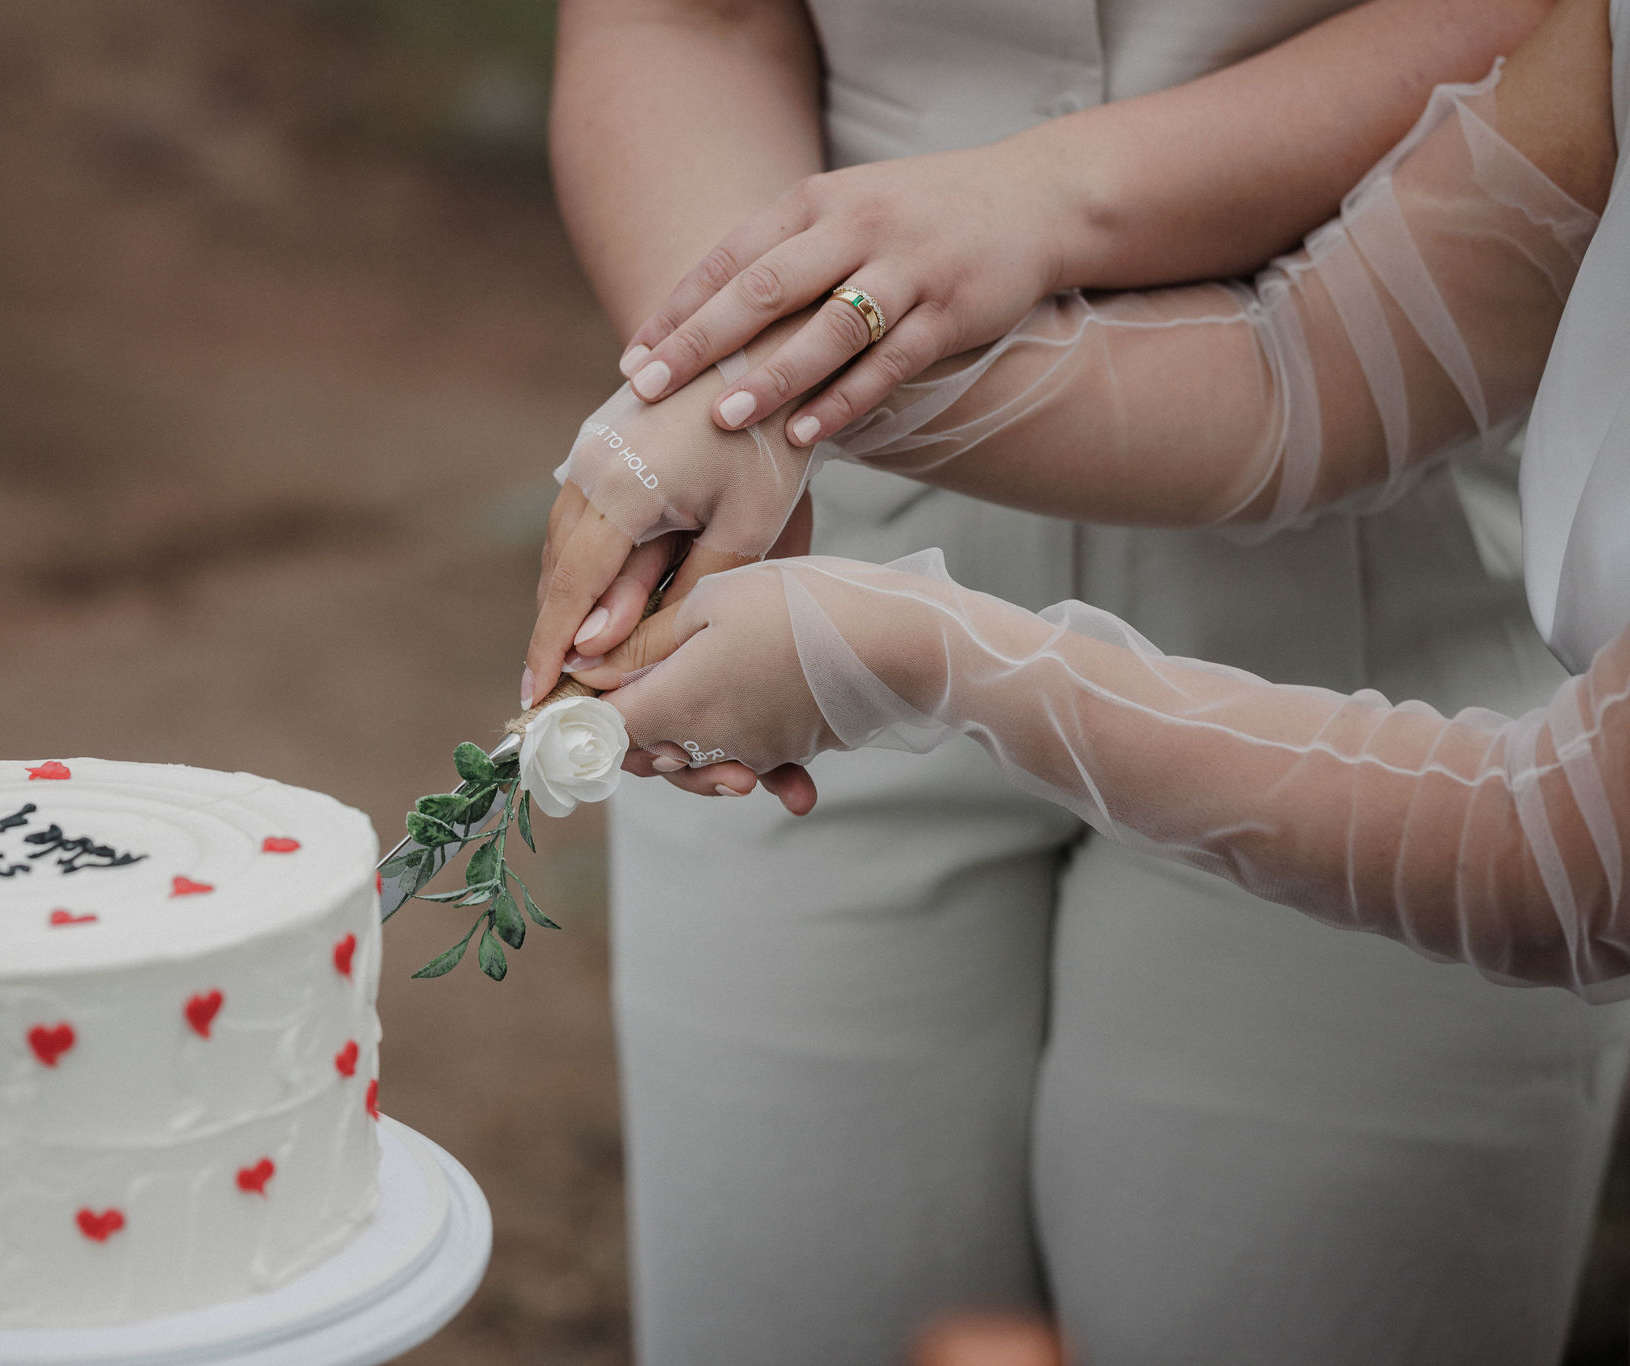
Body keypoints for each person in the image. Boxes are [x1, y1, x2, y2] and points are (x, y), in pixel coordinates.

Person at [541, 0, 1630, 1362]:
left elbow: (1567, 859)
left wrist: (926, 641)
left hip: (1385, 615)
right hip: (822, 534)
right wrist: (735, 384)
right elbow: (1306, 375)